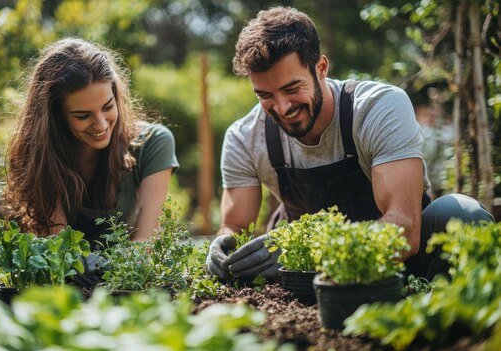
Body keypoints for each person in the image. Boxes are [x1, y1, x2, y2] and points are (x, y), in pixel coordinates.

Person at [206, 7, 494, 283]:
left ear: (320, 68)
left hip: (403, 267)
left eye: (292, 89)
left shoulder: (377, 108)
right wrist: (222, 246)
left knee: (462, 215)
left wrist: (304, 248)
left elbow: (404, 230)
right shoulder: (244, 137)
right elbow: (234, 225)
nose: (281, 107)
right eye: (264, 94)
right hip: (309, 283)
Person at [4, 38, 179, 285]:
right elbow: (59, 247)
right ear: (56, 116)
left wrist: (117, 265)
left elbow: (147, 240)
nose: (100, 124)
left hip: (128, 284)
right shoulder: (39, 154)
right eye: (83, 115)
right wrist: (76, 262)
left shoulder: (153, 143)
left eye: (108, 107)